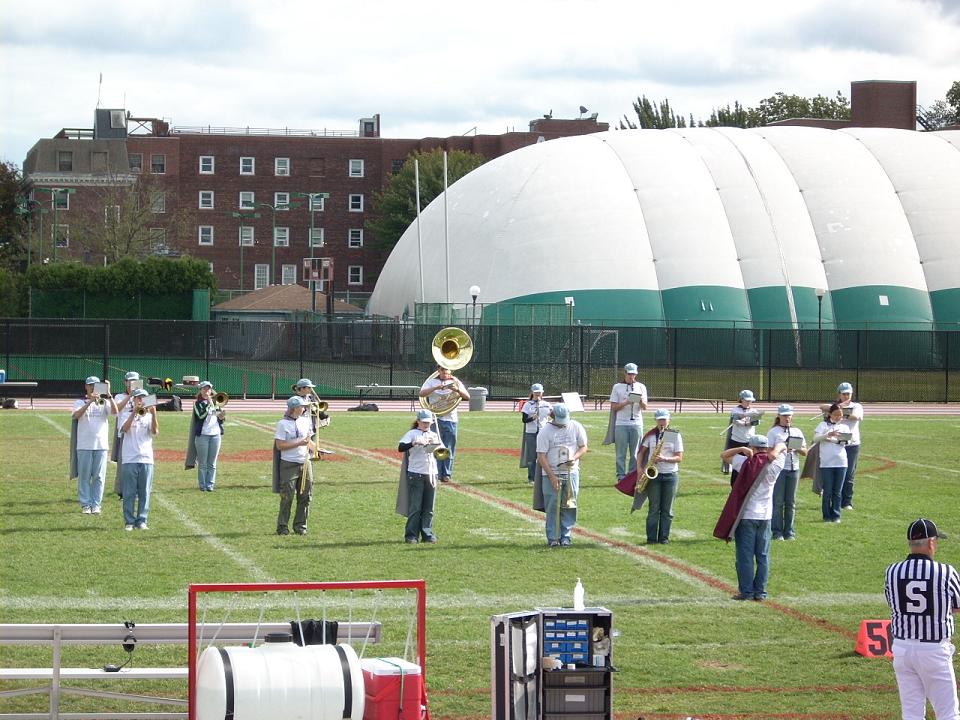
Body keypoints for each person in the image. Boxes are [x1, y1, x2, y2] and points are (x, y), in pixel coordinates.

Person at [885, 518, 960, 720]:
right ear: (931, 543)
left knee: (912, 714)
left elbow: (893, 603)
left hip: (902, 649)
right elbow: (958, 605)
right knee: (948, 713)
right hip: (933, 650)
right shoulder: (945, 572)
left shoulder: (892, 571)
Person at [716, 435, 787, 601]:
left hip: (747, 515)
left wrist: (741, 449)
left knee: (745, 556)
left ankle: (747, 592)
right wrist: (775, 451)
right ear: (766, 448)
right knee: (763, 556)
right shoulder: (776, 463)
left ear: (752, 448)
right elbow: (783, 445)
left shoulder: (745, 462)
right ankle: (760, 592)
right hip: (766, 516)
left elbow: (724, 455)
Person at [534, 404, 588, 548]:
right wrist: (551, 476)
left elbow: (583, 446)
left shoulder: (576, 426)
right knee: (552, 506)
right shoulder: (545, 431)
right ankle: (553, 537)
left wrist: (574, 458)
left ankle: (566, 537)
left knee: (570, 504)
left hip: (571, 472)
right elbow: (541, 456)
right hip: (551, 473)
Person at [70, 376, 117, 515]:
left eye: (95, 385)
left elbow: (115, 412)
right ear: (86, 386)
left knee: (99, 477)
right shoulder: (80, 402)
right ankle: (85, 504)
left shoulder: (104, 402)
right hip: (84, 445)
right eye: (90, 385)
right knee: (84, 476)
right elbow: (76, 415)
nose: (92, 388)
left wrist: (109, 395)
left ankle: (96, 504)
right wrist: (90, 401)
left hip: (101, 445)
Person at [636, 409, 683, 545]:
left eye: (664, 419)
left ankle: (664, 538)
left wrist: (664, 458)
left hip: (670, 475)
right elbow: (641, 453)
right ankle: (651, 538)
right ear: (656, 420)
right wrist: (639, 469)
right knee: (654, 509)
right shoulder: (651, 435)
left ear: (669, 420)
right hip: (654, 475)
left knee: (667, 510)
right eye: (659, 420)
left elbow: (679, 457)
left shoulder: (673, 435)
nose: (662, 422)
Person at [396, 409, 441, 544]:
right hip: (416, 474)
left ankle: (427, 534)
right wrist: (414, 443)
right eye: (424, 422)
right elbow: (401, 447)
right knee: (415, 507)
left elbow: (441, 452)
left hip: (431, 473)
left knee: (429, 508)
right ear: (418, 421)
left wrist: (433, 445)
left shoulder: (434, 435)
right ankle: (411, 535)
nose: (426, 424)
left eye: (428, 422)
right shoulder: (412, 433)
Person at [272, 395, 315, 536]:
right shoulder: (282, 424)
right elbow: (280, 445)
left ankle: (300, 526)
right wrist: (299, 443)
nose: (304, 408)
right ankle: (282, 527)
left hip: (305, 462)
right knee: (287, 496)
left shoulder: (305, 421)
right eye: (302, 406)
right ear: (295, 408)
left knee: (306, 496)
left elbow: (308, 441)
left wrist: (317, 449)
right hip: (289, 463)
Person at [418, 366, 469, 483]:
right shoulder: (431, 382)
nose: (445, 372)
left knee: (449, 447)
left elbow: (467, 397)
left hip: (451, 419)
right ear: (438, 370)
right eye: (442, 369)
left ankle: (446, 474)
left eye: (447, 369)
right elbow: (421, 393)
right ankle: (435, 472)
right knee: (435, 446)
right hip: (435, 419)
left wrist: (457, 390)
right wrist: (436, 387)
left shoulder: (455, 381)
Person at [766, 404, 807, 541]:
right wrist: (782, 449)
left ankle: (789, 531)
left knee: (791, 502)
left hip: (793, 469)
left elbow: (805, 452)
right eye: (784, 415)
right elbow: (768, 452)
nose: (787, 417)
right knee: (778, 502)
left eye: (789, 415)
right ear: (779, 416)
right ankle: (777, 532)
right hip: (779, 469)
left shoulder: (797, 431)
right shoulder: (773, 432)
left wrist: (796, 448)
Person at [120, 388, 159, 531]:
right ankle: (129, 521)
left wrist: (154, 414)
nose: (141, 400)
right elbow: (124, 429)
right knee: (129, 492)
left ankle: (142, 520)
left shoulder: (148, 416)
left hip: (146, 458)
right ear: (134, 400)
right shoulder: (125, 414)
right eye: (138, 398)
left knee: (145, 492)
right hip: (130, 458)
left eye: (143, 398)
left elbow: (154, 431)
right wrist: (133, 413)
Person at [602, 363, 647, 482]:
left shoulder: (641, 387)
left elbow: (645, 407)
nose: (631, 376)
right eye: (629, 374)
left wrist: (640, 400)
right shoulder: (617, 387)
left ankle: (632, 475)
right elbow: (613, 407)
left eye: (634, 374)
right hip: (621, 424)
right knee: (620, 453)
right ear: (625, 373)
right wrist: (626, 402)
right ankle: (621, 476)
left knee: (635, 452)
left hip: (636, 423)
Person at [813, 403, 851, 524]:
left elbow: (847, 441)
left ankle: (836, 515)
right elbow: (815, 439)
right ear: (830, 414)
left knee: (837, 491)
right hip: (827, 463)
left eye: (840, 415)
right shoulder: (823, 425)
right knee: (827, 490)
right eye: (836, 414)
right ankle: (826, 516)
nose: (838, 417)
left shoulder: (844, 427)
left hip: (841, 462)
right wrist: (826, 435)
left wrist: (834, 440)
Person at [184, 381, 224, 492]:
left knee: (212, 463)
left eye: (208, 389)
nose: (207, 391)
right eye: (204, 389)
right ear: (201, 390)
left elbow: (219, 418)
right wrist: (209, 404)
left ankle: (210, 485)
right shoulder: (198, 404)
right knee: (203, 463)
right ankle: (202, 486)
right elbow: (200, 415)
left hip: (215, 435)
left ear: (211, 390)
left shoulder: (216, 403)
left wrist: (221, 416)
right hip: (202, 436)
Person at [111, 371, 141, 497]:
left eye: (135, 381)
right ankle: (122, 491)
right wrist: (130, 396)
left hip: (138, 434)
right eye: (130, 381)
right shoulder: (120, 396)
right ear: (125, 382)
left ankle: (137, 490)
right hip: (123, 434)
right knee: (123, 464)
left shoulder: (142, 396)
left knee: (138, 463)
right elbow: (116, 409)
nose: (132, 383)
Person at [835, 382, 864, 510]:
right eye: (844, 394)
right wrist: (837, 408)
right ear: (839, 395)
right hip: (837, 443)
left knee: (849, 474)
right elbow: (823, 409)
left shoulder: (856, 406)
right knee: (837, 472)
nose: (846, 396)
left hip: (852, 444)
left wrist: (842, 413)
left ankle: (847, 502)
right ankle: (836, 499)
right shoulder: (835, 406)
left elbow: (856, 417)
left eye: (848, 394)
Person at [723, 390, 760, 486]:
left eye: (750, 401)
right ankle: (735, 485)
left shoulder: (754, 411)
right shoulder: (735, 410)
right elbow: (736, 421)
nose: (749, 402)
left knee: (749, 464)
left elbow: (755, 422)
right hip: (736, 441)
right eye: (747, 400)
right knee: (736, 465)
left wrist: (746, 421)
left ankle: (747, 484)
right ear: (741, 399)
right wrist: (745, 420)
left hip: (749, 442)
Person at [519, 383, 552, 484]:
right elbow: (524, 420)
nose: (538, 394)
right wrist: (534, 417)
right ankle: (531, 478)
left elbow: (553, 415)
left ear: (542, 393)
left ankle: (544, 476)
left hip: (543, 432)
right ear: (532, 393)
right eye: (536, 392)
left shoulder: (546, 404)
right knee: (532, 456)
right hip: (531, 433)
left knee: (544, 455)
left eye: (539, 392)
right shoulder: (528, 405)